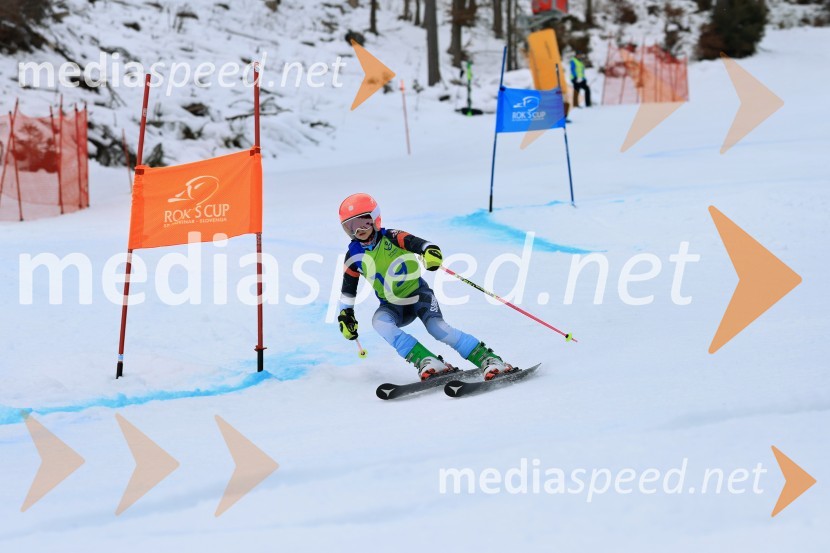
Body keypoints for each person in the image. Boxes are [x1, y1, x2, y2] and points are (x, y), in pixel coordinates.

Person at [336, 193, 514, 381]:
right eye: (351, 227)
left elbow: (422, 244)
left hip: (418, 296)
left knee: (437, 328)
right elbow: (347, 291)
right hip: (392, 305)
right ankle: (426, 361)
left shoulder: (393, 237)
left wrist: (430, 252)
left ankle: (489, 360)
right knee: (380, 323)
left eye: (363, 223)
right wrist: (345, 315)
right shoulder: (353, 256)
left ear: (375, 219)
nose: (359, 231)